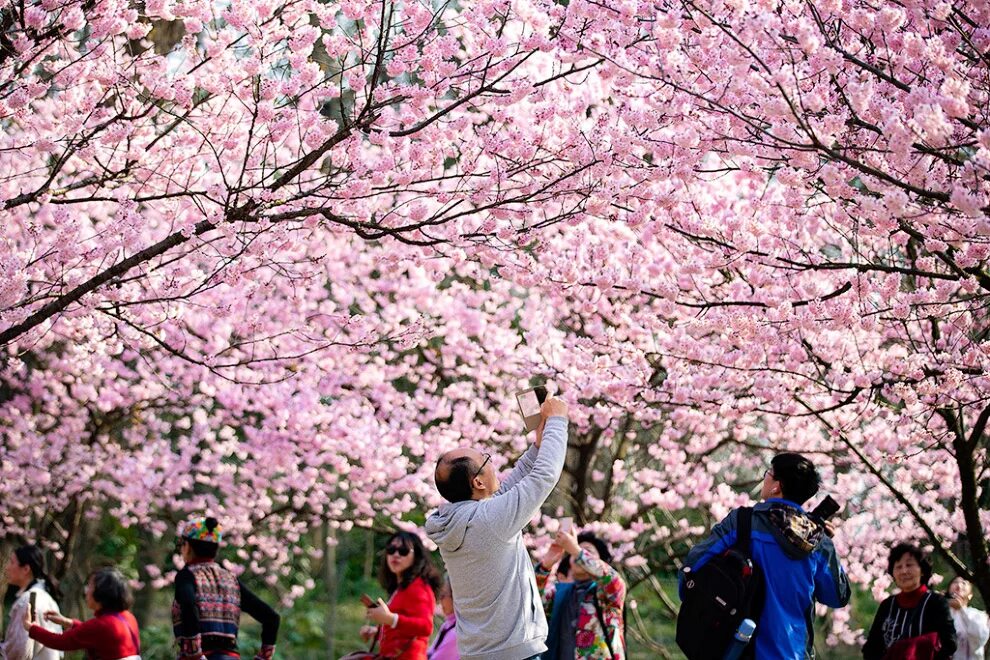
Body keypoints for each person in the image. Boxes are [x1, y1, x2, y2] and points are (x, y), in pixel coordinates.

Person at [425, 396, 569, 660]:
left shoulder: (455, 520)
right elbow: (544, 477)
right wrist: (558, 421)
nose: (492, 463)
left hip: (478, 651)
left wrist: (537, 447)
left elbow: (508, 490)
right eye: (486, 460)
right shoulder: (490, 519)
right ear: (478, 483)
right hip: (514, 653)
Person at [681, 452, 851, 659]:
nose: (765, 478)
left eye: (768, 473)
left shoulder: (742, 522)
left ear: (777, 486)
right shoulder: (818, 542)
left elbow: (694, 566)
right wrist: (827, 544)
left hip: (738, 649)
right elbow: (837, 595)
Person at [171, 517, 280, 660]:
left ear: (188, 546)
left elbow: (188, 604)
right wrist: (263, 656)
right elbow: (272, 618)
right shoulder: (231, 580)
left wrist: (195, 653)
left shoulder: (187, 576)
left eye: (182, 544)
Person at [536, 528, 626, 659]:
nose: (578, 556)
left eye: (587, 551)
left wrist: (576, 550)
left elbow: (611, 579)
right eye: (574, 552)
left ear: (600, 561)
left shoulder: (606, 594)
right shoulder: (559, 592)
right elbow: (533, 604)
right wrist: (545, 566)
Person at [862, 543, 957, 659]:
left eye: (909, 565)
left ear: (922, 571)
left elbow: (949, 643)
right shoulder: (888, 605)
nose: (904, 571)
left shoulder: (935, 602)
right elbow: (872, 647)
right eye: (898, 567)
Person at [24, 567, 140, 660]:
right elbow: (95, 634)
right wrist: (67, 622)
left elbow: (60, 641)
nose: (86, 591)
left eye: (90, 586)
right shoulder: (128, 617)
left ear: (101, 593)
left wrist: (31, 628)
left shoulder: (102, 625)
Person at [357, 531, 440, 660]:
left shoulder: (419, 587)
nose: (396, 555)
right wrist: (377, 632)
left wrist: (390, 619)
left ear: (416, 556)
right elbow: (403, 629)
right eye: (391, 549)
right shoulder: (401, 588)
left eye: (403, 550)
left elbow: (426, 627)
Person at [1, 545, 63, 660]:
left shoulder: (27, 601)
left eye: (12, 562)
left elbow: (19, 651)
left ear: (26, 569)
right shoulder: (44, 596)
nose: (7, 568)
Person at [947, 577, 989, 659]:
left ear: (970, 595)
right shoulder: (941, 612)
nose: (959, 585)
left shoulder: (978, 615)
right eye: (955, 582)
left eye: (964, 583)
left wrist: (961, 609)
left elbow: (979, 636)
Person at [426, 575, 458, 660]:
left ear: (455, 597)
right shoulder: (448, 624)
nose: (440, 599)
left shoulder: (455, 633)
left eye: (443, 595)